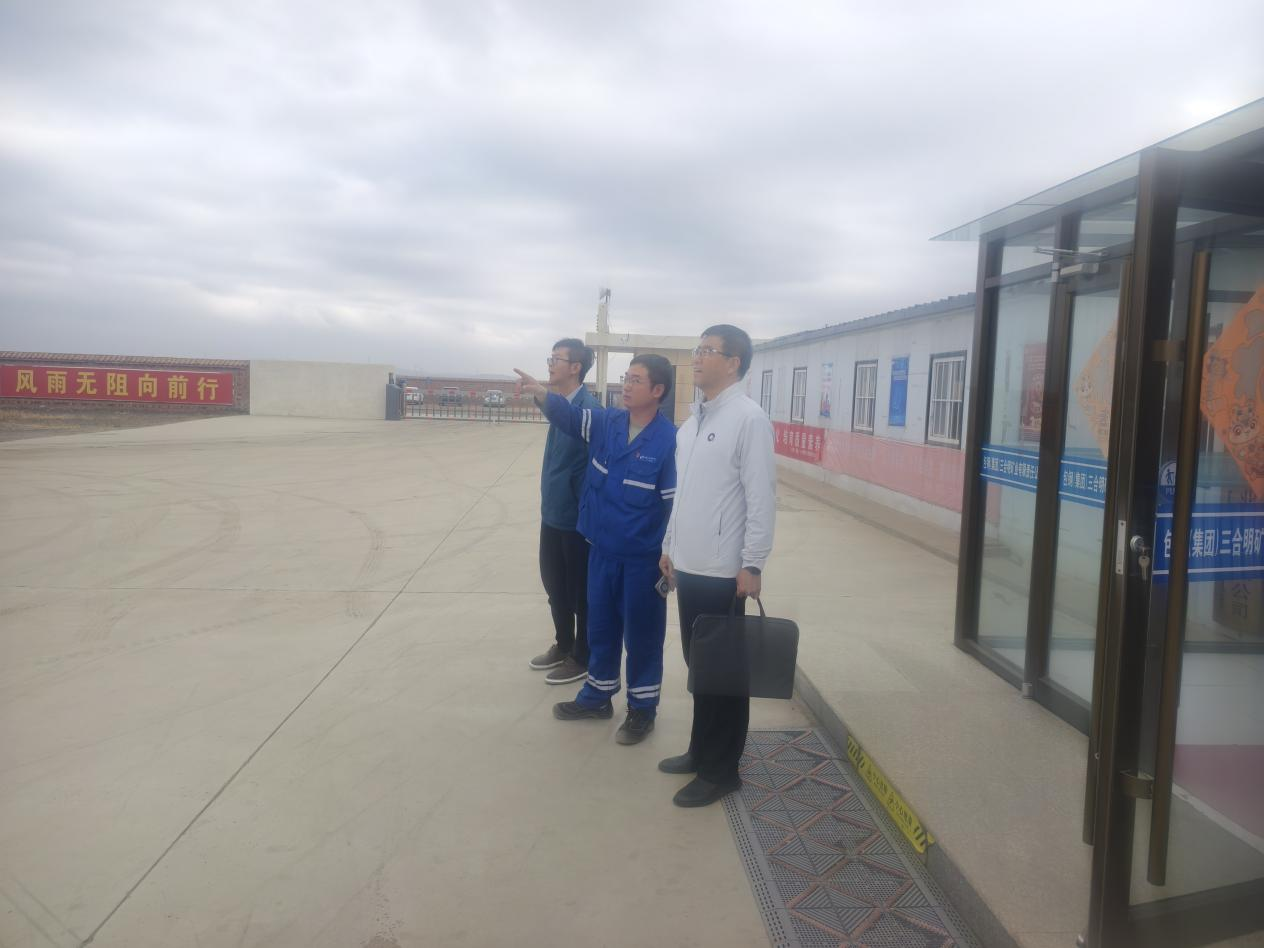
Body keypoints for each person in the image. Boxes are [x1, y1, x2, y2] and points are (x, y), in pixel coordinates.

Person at [514, 354, 677, 745]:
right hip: (600, 551)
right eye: (626, 377)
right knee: (600, 628)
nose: (626, 386)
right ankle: (597, 697)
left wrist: (672, 554)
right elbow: (571, 418)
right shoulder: (607, 423)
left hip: (642, 561)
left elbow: (676, 507)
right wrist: (542, 395)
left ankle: (642, 710)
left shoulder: (670, 442)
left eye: (635, 380)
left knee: (642, 637)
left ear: (657, 390)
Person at [658, 325, 776, 807]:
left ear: (733, 363)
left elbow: (761, 496)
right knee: (699, 666)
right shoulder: (692, 422)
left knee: (722, 674)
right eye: (698, 349)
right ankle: (701, 749)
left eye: (709, 350)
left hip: (724, 570)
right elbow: (683, 493)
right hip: (689, 565)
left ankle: (722, 770)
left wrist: (753, 563)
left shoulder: (748, 419)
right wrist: (669, 545)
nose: (698, 357)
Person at [528, 339, 602, 686]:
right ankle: (564, 644)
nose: (550, 364)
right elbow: (553, 408)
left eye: (556, 359)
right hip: (553, 513)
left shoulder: (589, 410)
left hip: (576, 520)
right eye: (550, 357)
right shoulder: (560, 405)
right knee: (555, 585)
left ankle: (583, 655)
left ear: (576, 367)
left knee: (580, 592)